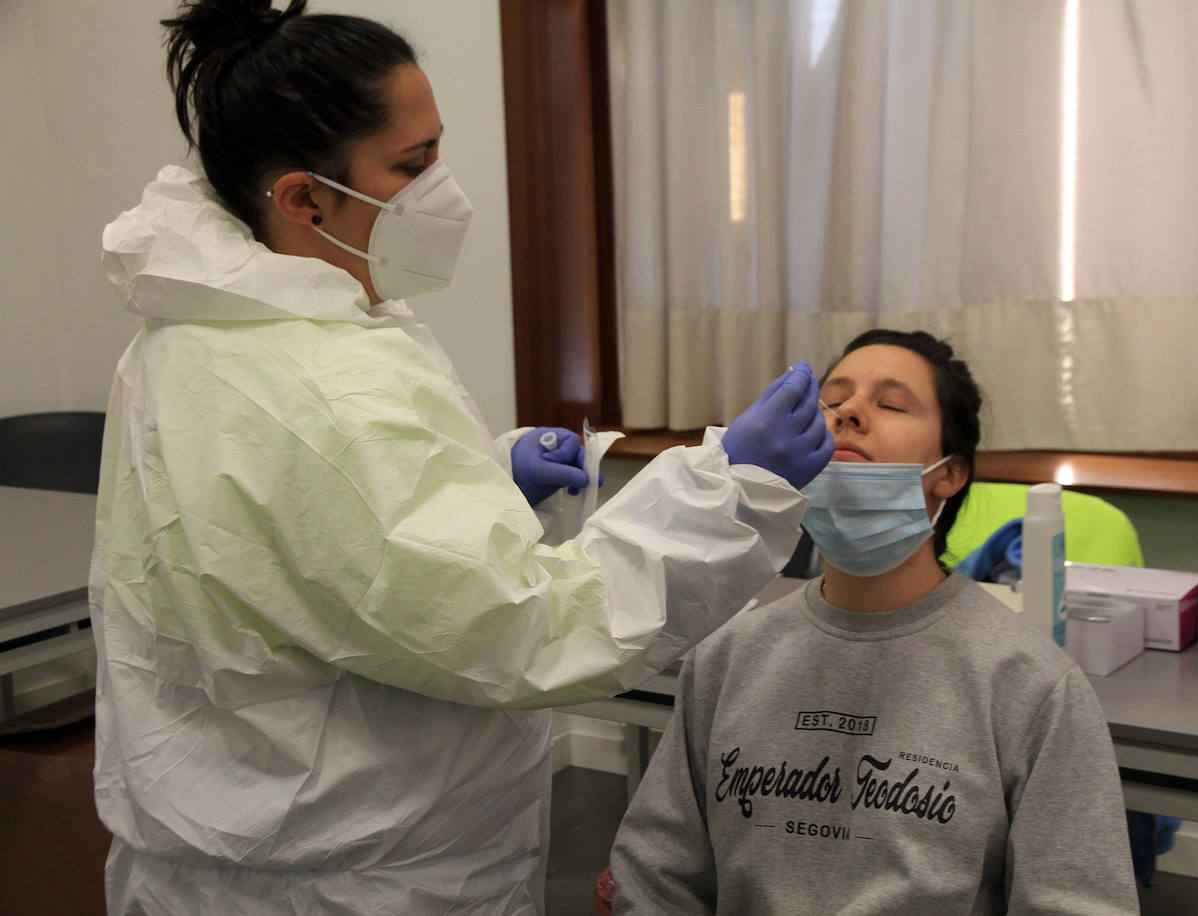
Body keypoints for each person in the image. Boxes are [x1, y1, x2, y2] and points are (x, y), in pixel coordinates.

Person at [91, 2, 832, 913]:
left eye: (436, 147)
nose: (442, 189)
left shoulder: (200, 333)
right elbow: (524, 629)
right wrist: (726, 494)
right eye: (412, 165)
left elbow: (307, 543)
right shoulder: (323, 385)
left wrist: (481, 478)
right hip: (348, 878)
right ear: (302, 197)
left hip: (233, 845)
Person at [609, 329, 1139, 914]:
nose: (850, 414)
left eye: (890, 404)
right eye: (832, 402)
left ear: (950, 474)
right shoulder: (728, 656)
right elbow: (656, 872)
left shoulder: (1031, 685)